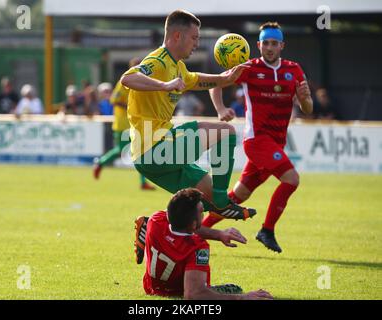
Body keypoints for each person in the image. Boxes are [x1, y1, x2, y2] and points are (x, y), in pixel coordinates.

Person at [121, 10, 257, 264]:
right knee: (225, 133)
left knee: (197, 206)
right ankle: (221, 202)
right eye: (194, 38)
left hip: (150, 157)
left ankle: (148, 226)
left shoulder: (178, 66)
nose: (197, 43)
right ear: (177, 35)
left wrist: (225, 78)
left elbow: (196, 81)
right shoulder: (159, 61)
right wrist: (164, 85)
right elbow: (127, 78)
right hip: (155, 146)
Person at [207, 22, 313, 253]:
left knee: (238, 196)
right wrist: (220, 108)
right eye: (266, 43)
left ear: (282, 45)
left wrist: (305, 99)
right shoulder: (248, 68)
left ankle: (199, 229)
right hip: (256, 141)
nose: (270, 47)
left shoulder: (294, 70)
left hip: (276, 144)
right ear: (259, 45)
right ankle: (267, 230)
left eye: (274, 43)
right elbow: (215, 84)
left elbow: (308, 108)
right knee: (291, 179)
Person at [139, 188, 273, 300]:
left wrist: (219, 234)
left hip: (151, 288)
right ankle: (210, 290)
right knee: (214, 291)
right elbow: (193, 295)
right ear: (192, 224)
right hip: (178, 292)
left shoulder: (155, 220)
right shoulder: (197, 246)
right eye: (202, 212)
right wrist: (241, 297)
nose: (204, 215)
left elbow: (176, 213)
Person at [93, 58, 156, 190]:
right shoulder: (125, 81)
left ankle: (143, 182)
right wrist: (130, 106)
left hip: (135, 123)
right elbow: (114, 99)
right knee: (121, 151)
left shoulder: (141, 82)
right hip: (123, 123)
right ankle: (101, 162)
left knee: (141, 151)